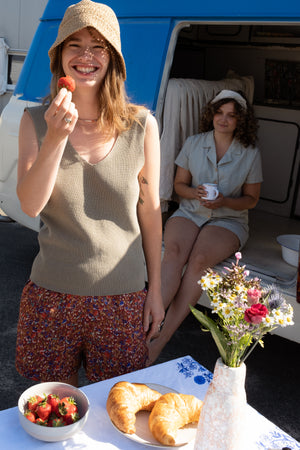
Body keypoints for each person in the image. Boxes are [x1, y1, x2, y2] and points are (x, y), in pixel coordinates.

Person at [15, 0, 164, 386]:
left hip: (124, 297)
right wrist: (55, 139)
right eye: (74, 44)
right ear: (60, 57)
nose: (86, 56)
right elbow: (31, 205)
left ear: (113, 58)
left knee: (118, 416)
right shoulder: (34, 121)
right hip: (52, 298)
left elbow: (150, 211)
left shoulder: (142, 125)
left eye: (98, 46)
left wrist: (157, 291)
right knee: (49, 414)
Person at [147, 89, 263, 365]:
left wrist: (225, 201)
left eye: (231, 116)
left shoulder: (250, 153)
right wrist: (195, 194)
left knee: (199, 260)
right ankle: (146, 328)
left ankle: (161, 340)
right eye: (219, 113)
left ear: (240, 121)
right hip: (190, 211)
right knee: (174, 253)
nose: (223, 120)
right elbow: (179, 187)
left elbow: (252, 200)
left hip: (229, 219)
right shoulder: (194, 143)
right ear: (211, 114)